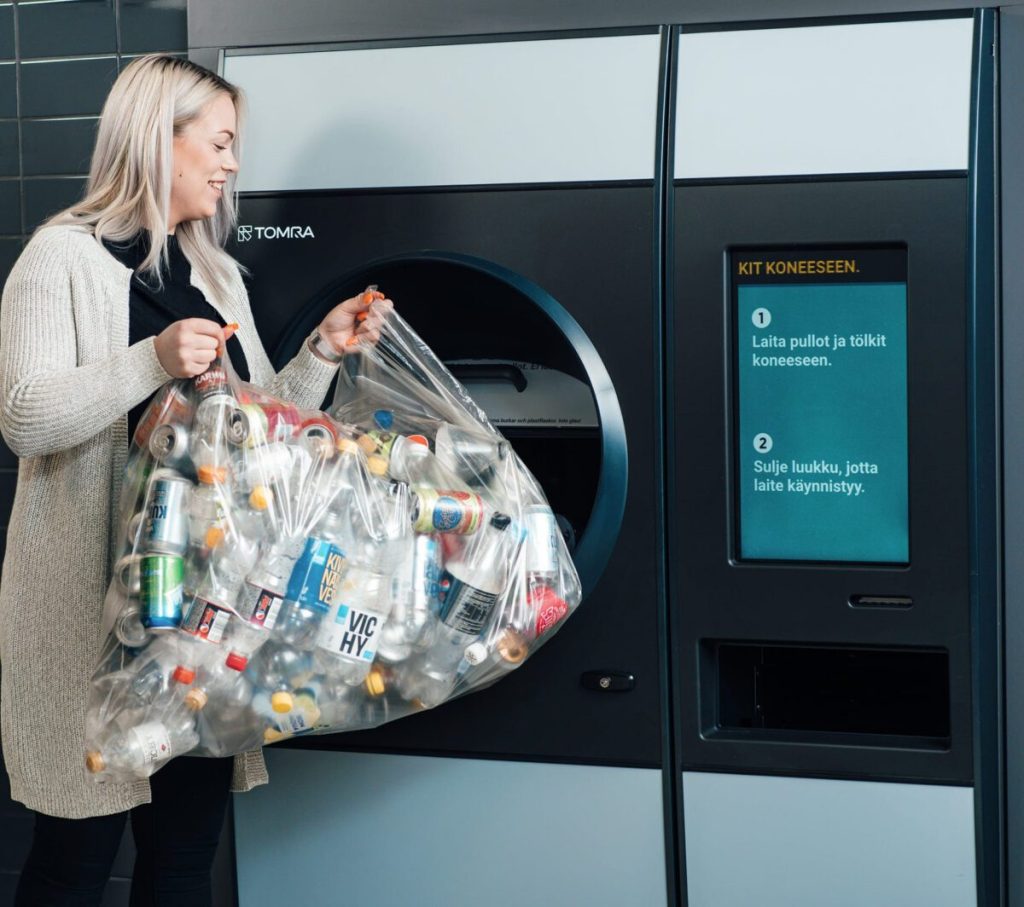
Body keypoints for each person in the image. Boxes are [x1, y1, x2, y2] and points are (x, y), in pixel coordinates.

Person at [0, 54, 389, 905]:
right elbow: (24, 417)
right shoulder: (58, 260)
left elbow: (249, 433)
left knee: (183, 862)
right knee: (73, 864)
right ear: (157, 140)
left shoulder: (215, 274)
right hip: (91, 633)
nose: (232, 163)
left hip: (203, 631)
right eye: (218, 142)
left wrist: (321, 351)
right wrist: (149, 358)